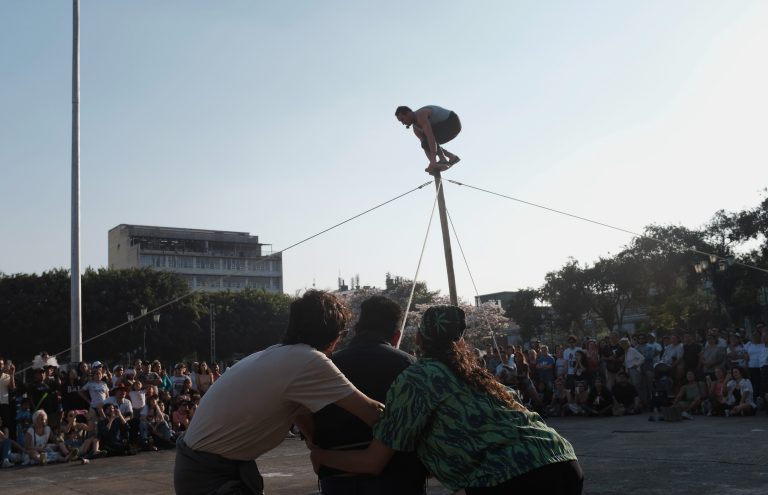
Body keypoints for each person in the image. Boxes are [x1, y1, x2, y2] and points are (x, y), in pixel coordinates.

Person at [311, 305, 583, 494]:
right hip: (561, 461)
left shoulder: (416, 377)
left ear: (417, 338)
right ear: (460, 342)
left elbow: (373, 462)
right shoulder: (476, 375)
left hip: (509, 477)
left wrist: (321, 455)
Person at [174, 290, 384, 495]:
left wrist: (318, 447)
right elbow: (372, 412)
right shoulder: (309, 360)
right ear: (333, 337)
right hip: (211, 473)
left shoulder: (274, 353)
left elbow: (300, 415)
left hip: (197, 465)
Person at [312, 295, 427, 495]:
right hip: (398, 476)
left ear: (355, 330)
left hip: (337, 476)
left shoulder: (326, 367)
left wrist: (318, 454)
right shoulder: (410, 366)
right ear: (396, 336)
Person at [394, 105, 461, 173]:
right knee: (425, 143)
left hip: (452, 122)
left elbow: (431, 138)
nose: (403, 123)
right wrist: (432, 165)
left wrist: (433, 162)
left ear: (408, 113)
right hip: (442, 130)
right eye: (401, 121)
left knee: (429, 136)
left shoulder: (420, 115)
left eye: (402, 119)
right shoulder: (416, 129)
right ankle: (452, 157)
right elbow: (426, 146)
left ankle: (443, 160)